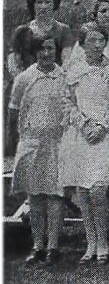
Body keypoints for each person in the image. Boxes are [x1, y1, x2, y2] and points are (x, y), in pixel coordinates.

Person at [59, 22, 109, 264]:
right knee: (84, 190)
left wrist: (102, 126)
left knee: (98, 189)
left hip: (107, 132)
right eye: (92, 40)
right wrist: (85, 124)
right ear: (83, 42)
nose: (97, 45)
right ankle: (91, 242)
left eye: (101, 40)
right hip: (81, 132)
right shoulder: (73, 67)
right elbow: (68, 101)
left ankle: (103, 241)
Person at [8, 35, 67, 264]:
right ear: (34, 52)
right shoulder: (25, 78)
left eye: (50, 48)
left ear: (56, 50)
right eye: (41, 49)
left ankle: (53, 246)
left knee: (55, 194)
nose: (46, 53)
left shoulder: (65, 77)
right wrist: (14, 141)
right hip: (31, 142)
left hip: (57, 143)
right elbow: (14, 112)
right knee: (35, 195)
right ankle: (38, 245)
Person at [8, 0, 73, 78]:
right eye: (39, 2)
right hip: (28, 81)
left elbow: (67, 60)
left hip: (55, 80)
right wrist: (23, 80)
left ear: (54, 4)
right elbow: (13, 61)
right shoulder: (21, 31)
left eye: (47, 2)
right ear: (33, 4)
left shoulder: (63, 30)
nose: (43, 6)